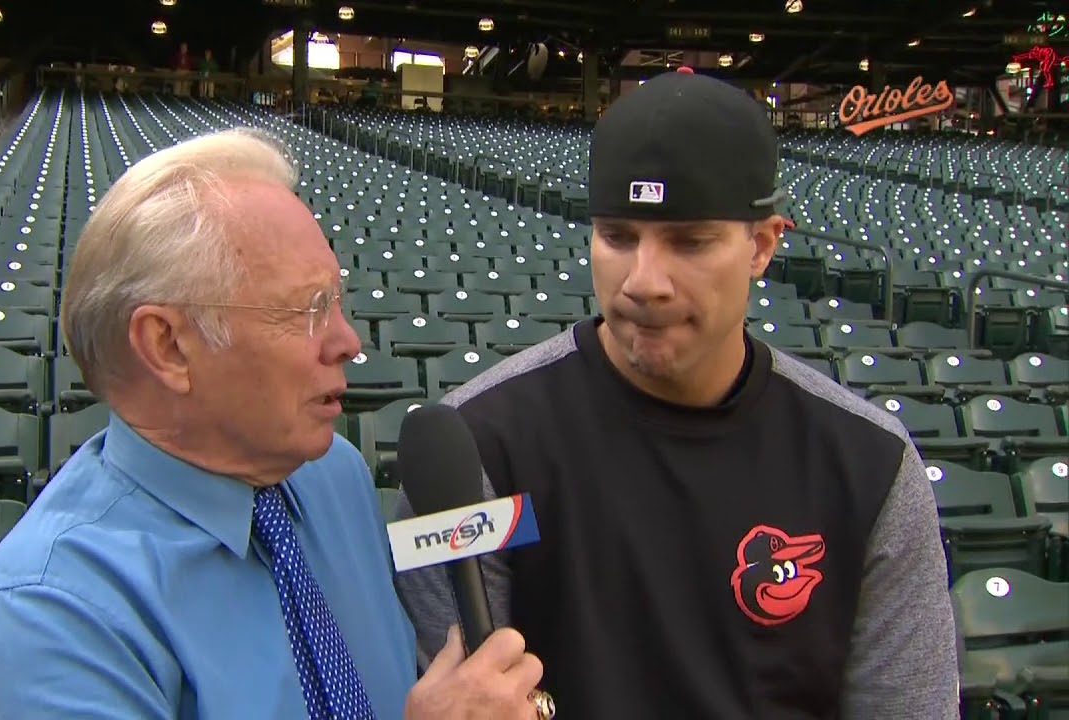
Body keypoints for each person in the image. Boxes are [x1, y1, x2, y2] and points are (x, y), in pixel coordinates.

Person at [393, 68, 960, 718]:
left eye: (690, 242)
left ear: (763, 245)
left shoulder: (871, 464)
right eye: (618, 237)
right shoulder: (475, 449)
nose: (645, 281)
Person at [0, 128, 547, 719]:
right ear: (168, 347)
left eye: (338, 303)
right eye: (307, 310)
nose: (348, 342)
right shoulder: (51, 610)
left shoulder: (334, 476)